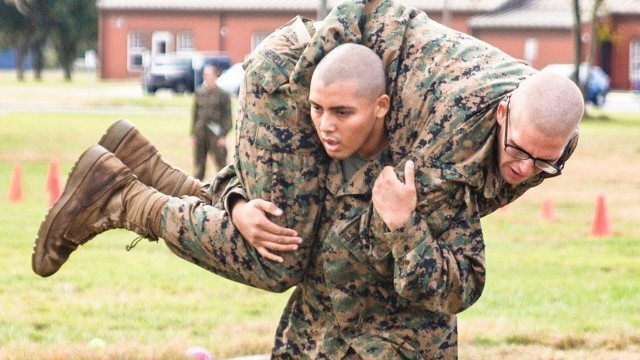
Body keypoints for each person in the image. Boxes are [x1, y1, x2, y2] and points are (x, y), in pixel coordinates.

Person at [32, 0, 584, 357]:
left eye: (544, 164)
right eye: (519, 154)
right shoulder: (449, 129)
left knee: (281, 225)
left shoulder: (544, 133)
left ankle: (152, 171)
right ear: (501, 112)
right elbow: (360, 230)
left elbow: (446, 232)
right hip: (300, 82)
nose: (524, 171)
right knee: (278, 252)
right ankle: (123, 198)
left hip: (355, 92)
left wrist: (235, 194)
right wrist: (240, 196)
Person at [191, 63, 232, 180]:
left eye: (208, 74)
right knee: (199, 166)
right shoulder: (199, 92)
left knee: (221, 166)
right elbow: (195, 114)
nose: (206, 77)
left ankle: (225, 190)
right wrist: (193, 134)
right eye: (204, 74)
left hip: (216, 134)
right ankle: (197, 191)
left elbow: (227, 117)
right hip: (200, 133)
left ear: (215, 75)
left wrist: (223, 136)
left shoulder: (223, 94)